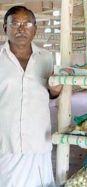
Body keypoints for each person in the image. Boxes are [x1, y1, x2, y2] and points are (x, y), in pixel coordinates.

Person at [0, 6, 62, 187]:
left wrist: (56, 90)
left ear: (35, 29)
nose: (21, 29)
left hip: (38, 141)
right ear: (5, 28)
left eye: (27, 23)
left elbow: (51, 94)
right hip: (6, 141)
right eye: (15, 24)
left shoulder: (46, 57)